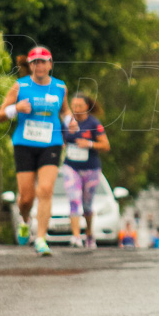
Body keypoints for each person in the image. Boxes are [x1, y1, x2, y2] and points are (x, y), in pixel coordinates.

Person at [0, 47, 77, 257]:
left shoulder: (60, 87)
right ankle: (24, 220)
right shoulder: (20, 86)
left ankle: (41, 238)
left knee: (46, 189)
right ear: (30, 66)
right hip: (25, 143)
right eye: (35, 62)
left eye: (43, 62)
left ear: (50, 64)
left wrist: (69, 121)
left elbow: (64, 110)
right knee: (26, 198)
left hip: (51, 143)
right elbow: (0, 115)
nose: (39, 66)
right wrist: (16, 109)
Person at [60, 93, 110, 249]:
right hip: (71, 166)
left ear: (87, 107)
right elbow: (62, 139)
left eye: (80, 106)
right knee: (74, 200)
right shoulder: (68, 122)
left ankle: (88, 233)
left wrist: (89, 144)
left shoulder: (94, 123)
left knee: (87, 205)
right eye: (73, 105)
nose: (76, 109)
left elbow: (106, 146)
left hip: (91, 169)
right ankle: (76, 236)